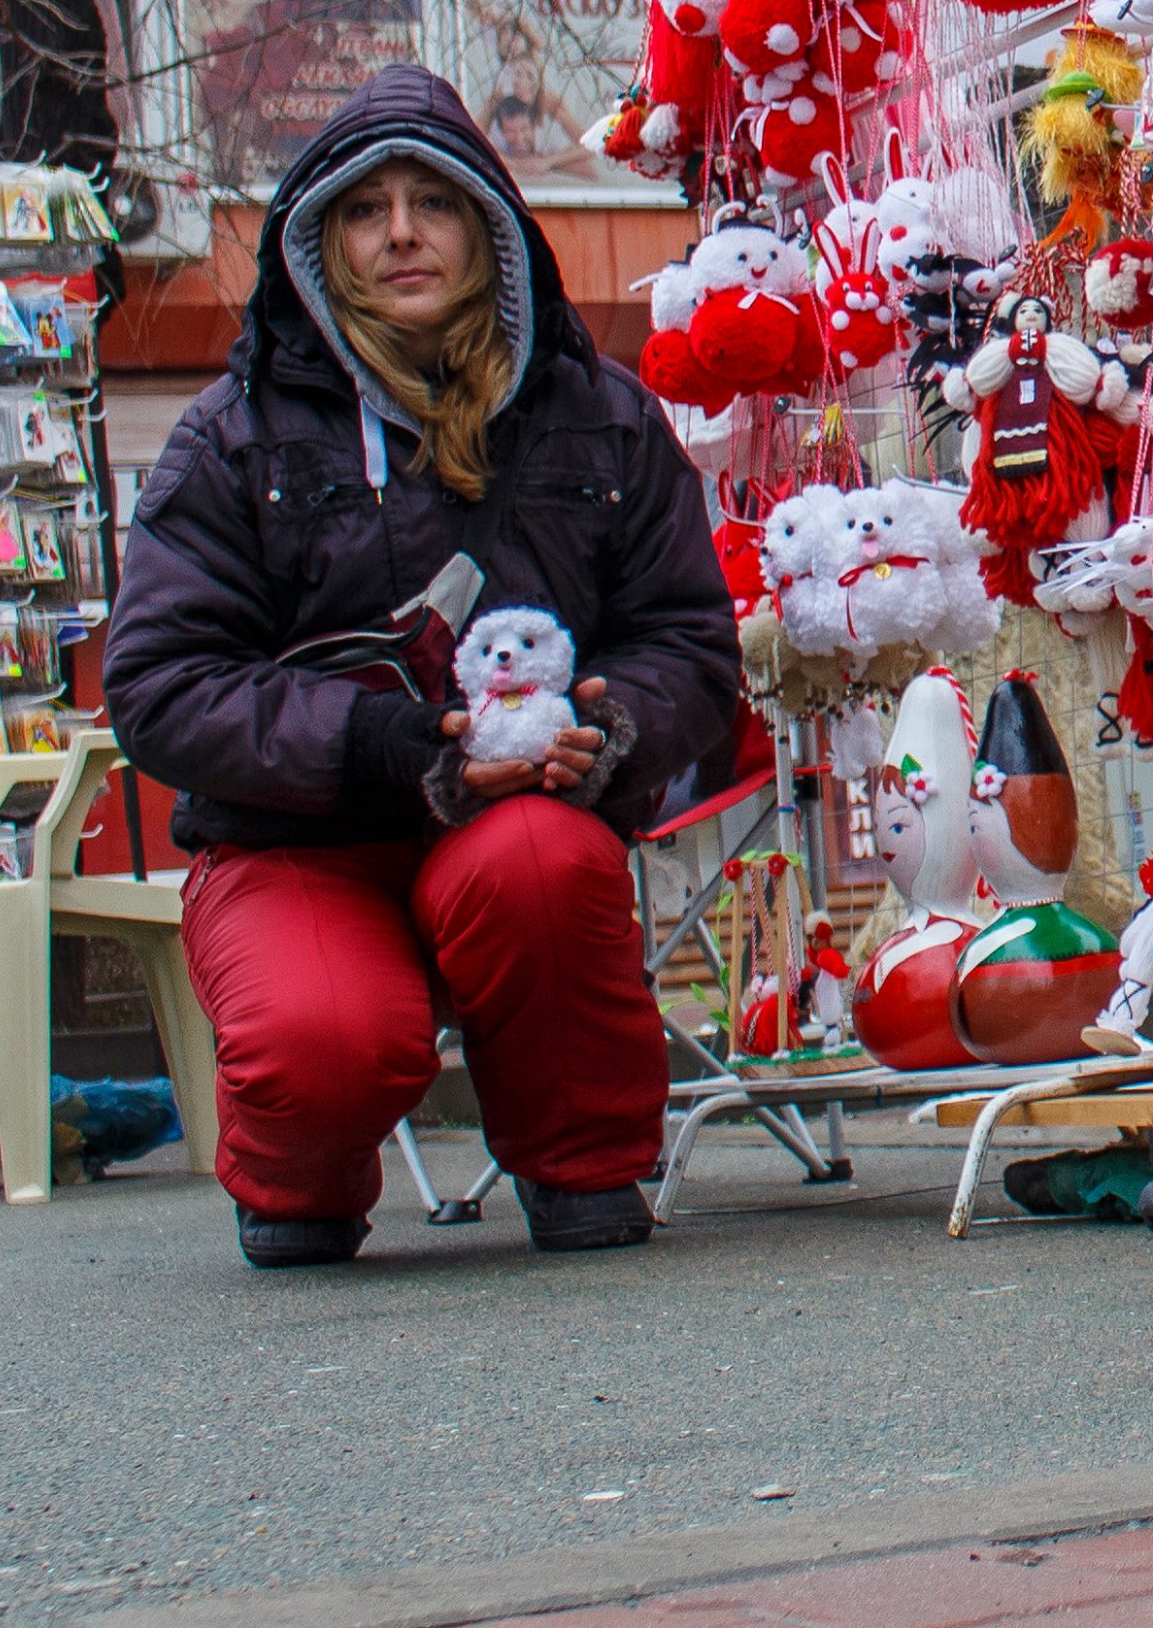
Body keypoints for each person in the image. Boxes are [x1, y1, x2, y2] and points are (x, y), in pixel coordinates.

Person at [106, 68, 742, 1267]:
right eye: (365, 208)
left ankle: (585, 1167)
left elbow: (687, 641)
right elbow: (159, 682)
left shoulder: (598, 414)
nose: (401, 233)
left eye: (433, 202)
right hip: (300, 837)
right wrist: (374, 742)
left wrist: (612, 730)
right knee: (326, 1043)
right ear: (323, 239)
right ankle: (296, 1175)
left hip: (518, 824)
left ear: (488, 226)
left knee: (548, 866)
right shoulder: (231, 435)